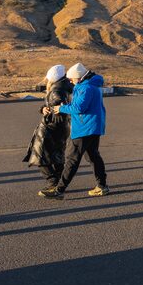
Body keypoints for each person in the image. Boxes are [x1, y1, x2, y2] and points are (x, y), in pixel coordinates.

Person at [39, 63, 108, 199]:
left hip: (84, 128)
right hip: (93, 127)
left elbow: (79, 108)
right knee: (94, 157)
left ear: (78, 77)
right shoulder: (89, 85)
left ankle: (59, 190)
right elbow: (77, 105)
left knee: (72, 159)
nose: (70, 81)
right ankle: (102, 186)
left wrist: (61, 108)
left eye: (71, 78)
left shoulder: (86, 87)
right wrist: (67, 106)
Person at [24, 64, 71, 192]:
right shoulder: (66, 87)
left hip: (52, 126)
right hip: (62, 126)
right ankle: (59, 181)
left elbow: (58, 104)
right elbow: (54, 105)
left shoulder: (56, 90)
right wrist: (43, 108)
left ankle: (53, 181)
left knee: (39, 155)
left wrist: (51, 109)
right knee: (57, 155)